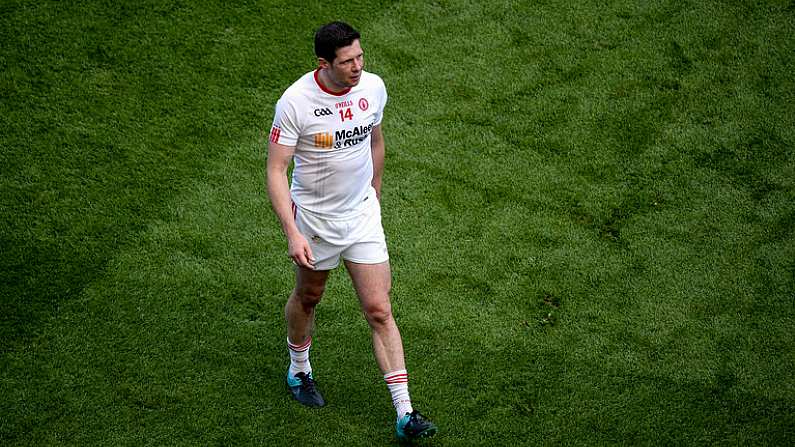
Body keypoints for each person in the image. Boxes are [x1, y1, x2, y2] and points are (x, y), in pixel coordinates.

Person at [265, 21, 437, 441]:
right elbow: (275, 170)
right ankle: (299, 370)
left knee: (379, 309)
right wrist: (292, 232)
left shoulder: (372, 88)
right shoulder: (295, 102)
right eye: (347, 61)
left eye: (360, 57)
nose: (358, 66)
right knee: (309, 296)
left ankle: (405, 412)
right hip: (315, 222)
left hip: (361, 216)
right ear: (324, 63)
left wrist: (374, 189)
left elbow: (375, 139)